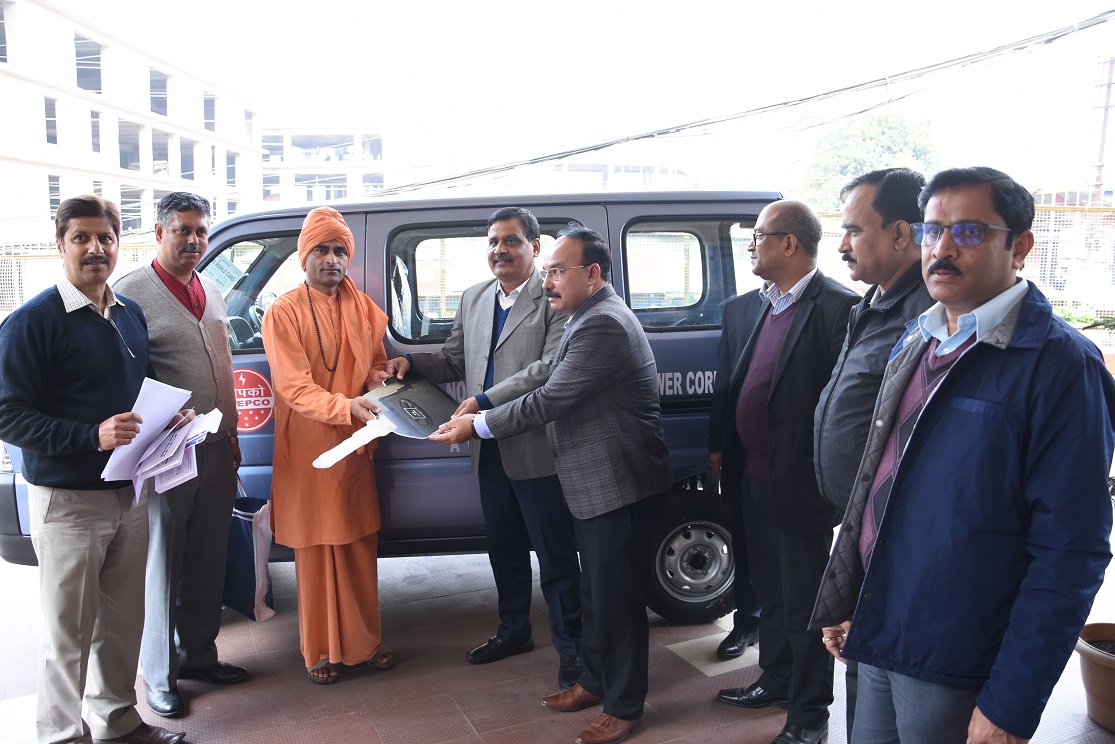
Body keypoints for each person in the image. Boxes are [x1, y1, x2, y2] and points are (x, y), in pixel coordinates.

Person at [810, 167, 1115, 744]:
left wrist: (1011, 704)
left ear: (1020, 246)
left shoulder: (1059, 367)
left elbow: (1070, 552)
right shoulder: (919, 337)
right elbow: (882, 481)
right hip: (880, 631)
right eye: (932, 231)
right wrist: (850, 594)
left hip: (959, 657)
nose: (943, 249)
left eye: (970, 232)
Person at [429, 224, 670, 744]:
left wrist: (479, 423)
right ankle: (594, 681)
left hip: (617, 484)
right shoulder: (581, 316)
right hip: (592, 483)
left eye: (558, 271)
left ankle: (625, 706)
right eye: (550, 271)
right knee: (594, 590)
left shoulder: (601, 324)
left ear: (593, 273)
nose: (547, 282)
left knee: (617, 601)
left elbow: (549, 399)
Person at [0, 195, 186, 744]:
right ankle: (61, 734)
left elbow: (137, 396)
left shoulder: (128, 313)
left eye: (105, 238)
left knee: (121, 622)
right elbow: (8, 415)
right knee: (68, 633)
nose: (95, 249)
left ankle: (117, 721)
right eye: (81, 238)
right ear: (60, 245)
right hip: (68, 502)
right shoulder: (31, 323)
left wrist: (171, 420)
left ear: (117, 243)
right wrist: (90, 436)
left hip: (127, 493)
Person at [385, 207, 582, 689]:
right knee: (504, 550)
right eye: (493, 241)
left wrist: (484, 402)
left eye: (512, 241)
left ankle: (574, 651)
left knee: (555, 558)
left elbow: (547, 370)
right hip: (487, 449)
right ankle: (514, 630)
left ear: (535, 248)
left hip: (535, 447)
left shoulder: (554, 296)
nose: (500, 250)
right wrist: (409, 363)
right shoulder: (474, 298)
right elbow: (456, 358)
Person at [711, 200, 857, 744]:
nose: (751, 245)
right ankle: (774, 679)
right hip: (752, 475)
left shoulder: (840, 308)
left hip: (800, 485)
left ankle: (809, 716)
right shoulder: (759, 306)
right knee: (769, 590)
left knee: (806, 605)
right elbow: (734, 384)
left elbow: (847, 406)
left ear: (790, 243)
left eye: (758, 236)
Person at [810, 167, 933, 737]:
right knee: (861, 673)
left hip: (898, 532)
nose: (840, 246)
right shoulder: (874, 302)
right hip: (859, 525)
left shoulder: (929, 314)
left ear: (901, 234)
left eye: (854, 231)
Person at [115, 192, 247, 719]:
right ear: (159, 232)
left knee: (207, 557)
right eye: (182, 230)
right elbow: (120, 378)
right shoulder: (130, 295)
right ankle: (159, 675)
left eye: (200, 232)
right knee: (162, 565)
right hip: (166, 455)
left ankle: (198, 654)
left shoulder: (210, 289)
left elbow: (224, 364)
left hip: (215, 450)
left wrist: (232, 433)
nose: (193, 240)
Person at [261, 206, 394, 685]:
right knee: (317, 551)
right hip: (311, 449)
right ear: (304, 256)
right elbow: (293, 388)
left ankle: (364, 644)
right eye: (322, 249)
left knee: (358, 545)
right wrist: (347, 408)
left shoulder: (363, 308)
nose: (332, 259)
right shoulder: (284, 311)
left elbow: (374, 366)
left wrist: (386, 374)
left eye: (340, 250)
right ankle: (320, 650)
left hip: (356, 445)